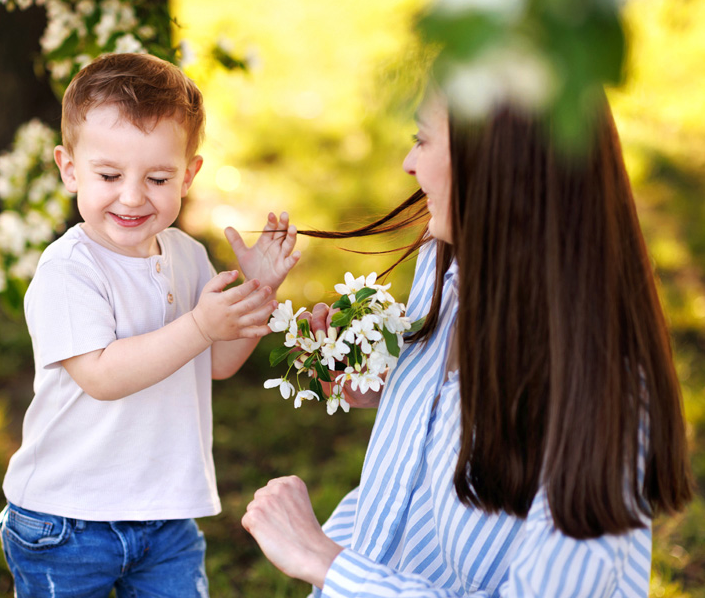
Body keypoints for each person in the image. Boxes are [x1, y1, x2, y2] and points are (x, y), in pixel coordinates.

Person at [241, 87, 694, 596]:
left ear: (499, 166)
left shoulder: (602, 398)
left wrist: (324, 560)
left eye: (423, 140)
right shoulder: (447, 262)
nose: (409, 163)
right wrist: (393, 385)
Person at [0, 53, 300, 598]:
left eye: (158, 178)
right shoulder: (69, 269)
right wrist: (200, 326)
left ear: (188, 175)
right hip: (67, 518)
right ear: (69, 168)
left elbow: (216, 364)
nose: (133, 196)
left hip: (165, 514)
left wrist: (257, 291)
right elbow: (102, 375)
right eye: (109, 175)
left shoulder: (187, 256)